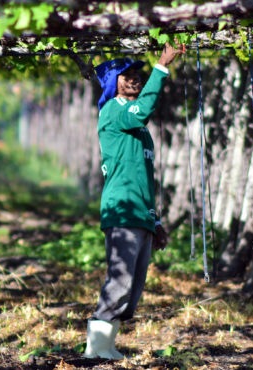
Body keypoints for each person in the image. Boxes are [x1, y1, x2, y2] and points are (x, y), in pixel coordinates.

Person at [84, 43, 184, 360]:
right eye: (125, 75)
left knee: (134, 288)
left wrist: (154, 221)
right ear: (112, 81)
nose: (133, 79)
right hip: (122, 212)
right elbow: (142, 109)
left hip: (139, 215)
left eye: (137, 75)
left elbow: (145, 182)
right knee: (120, 281)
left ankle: (106, 345)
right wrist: (162, 66)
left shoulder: (141, 134)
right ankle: (95, 350)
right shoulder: (114, 112)